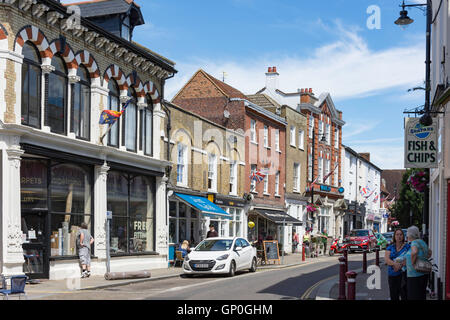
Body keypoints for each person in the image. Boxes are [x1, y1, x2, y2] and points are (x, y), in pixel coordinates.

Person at [403, 226, 432, 300]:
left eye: (407, 234)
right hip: (423, 272)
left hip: (414, 275)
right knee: (421, 295)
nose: (406, 235)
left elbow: (414, 252)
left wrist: (413, 263)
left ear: (410, 235)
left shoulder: (414, 242)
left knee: (413, 296)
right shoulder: (422, 242)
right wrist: (423, 259)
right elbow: (429, 252)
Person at [385, 229, 410, 300]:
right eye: (397, 234)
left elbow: (409, 258)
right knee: (394, 296)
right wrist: (395, 264)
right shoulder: (390, 247)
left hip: (404, 274)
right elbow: (387, 259)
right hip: (392, 275)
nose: (399, 236)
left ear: (403, 236)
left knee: (404, 295)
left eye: (401, 234)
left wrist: (400, 266)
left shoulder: (407, 247)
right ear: (394, 236)